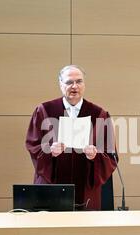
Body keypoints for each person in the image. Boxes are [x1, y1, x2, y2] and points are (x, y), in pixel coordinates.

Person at [25, 65, 117, 210]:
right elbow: (33, 144)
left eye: (79, 81)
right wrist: (49, 151)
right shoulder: (44, 111)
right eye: (69, 82)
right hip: (52, 186)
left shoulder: (99, 114)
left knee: (85, 231)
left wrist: (95, 156)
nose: (74, 86)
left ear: (84, 84)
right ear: (61, 84)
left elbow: (110, 153)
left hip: (85, 190)